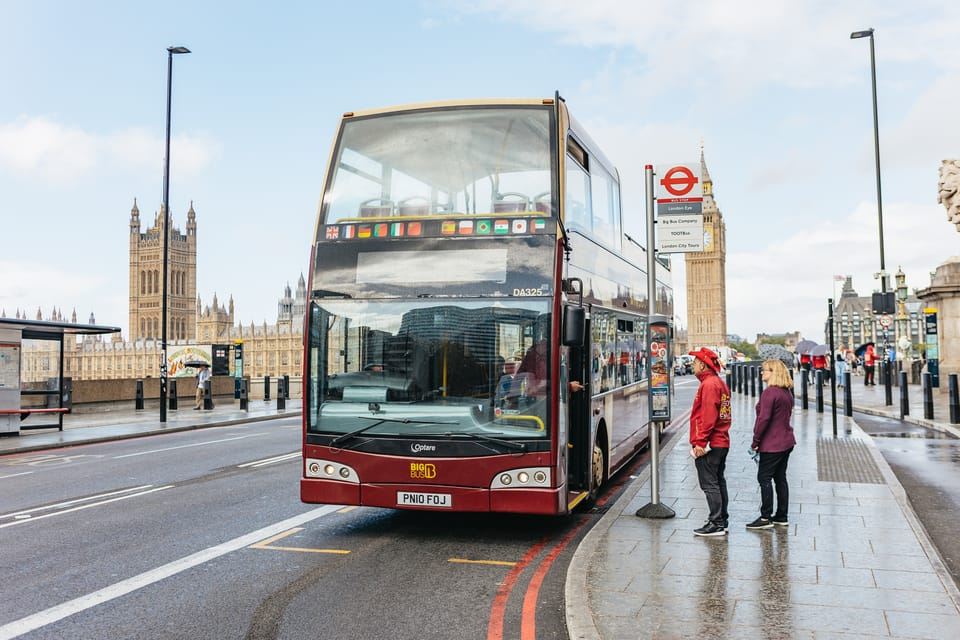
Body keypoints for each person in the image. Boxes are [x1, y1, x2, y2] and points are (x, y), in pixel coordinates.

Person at [746, 360, 797, 530]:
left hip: (772, 444)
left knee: (764, 478)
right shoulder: (786, 392)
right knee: (780, 478)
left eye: (764, 370)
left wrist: (755, 441)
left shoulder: (770, 393)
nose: (761, 373)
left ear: (773, 372)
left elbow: (764, 419)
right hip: (787, 441)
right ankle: (782, 516)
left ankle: (765, 517)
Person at [688, 347, 732, 537]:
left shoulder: (709, 385)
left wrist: (700, 442)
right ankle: (721, 519)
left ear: (702, 364)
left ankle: (716, 523)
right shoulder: (718, 383)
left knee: (710, 484)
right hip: (721, 441)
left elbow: (708, 416)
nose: (692, 365)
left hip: (711, 443)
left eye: (695, 362)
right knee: (718, 481)